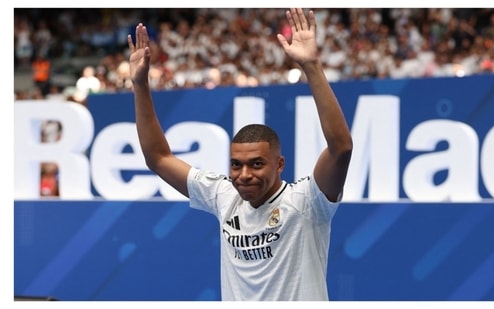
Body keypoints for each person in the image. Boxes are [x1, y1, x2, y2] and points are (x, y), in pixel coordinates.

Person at [128, 8, 353, 301]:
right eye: (236, 165)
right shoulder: (224, 196)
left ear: (280, 164)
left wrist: (310, 65)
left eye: (257, 164)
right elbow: (158, 158)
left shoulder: (307, 202)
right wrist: (140, 85)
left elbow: (341, 148)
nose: (244, 175)